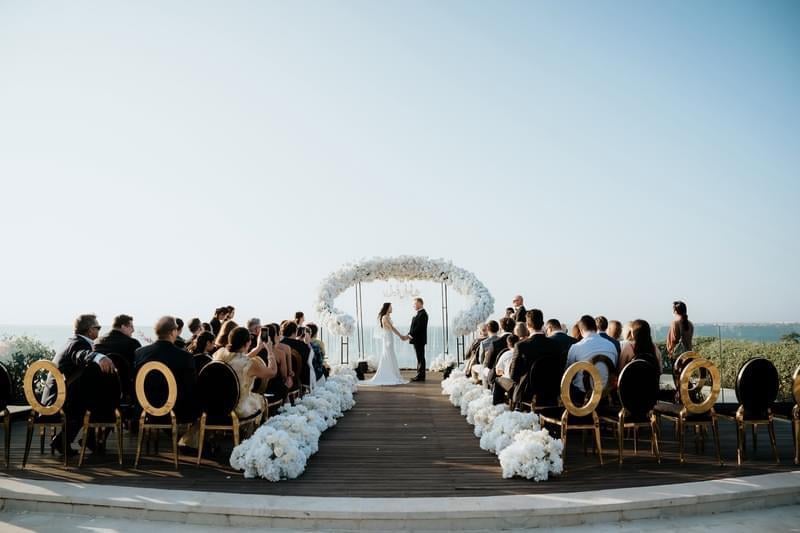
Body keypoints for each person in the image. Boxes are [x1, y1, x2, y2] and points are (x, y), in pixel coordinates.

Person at [43, 314, 116, 456]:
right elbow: (80, 354)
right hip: (59, 399)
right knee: (107, 404)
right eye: (98, 327)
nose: (99, 330)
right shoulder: (78, 344)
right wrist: (98, 356)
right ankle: (88, 439)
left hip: (57, 394)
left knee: (95, 400)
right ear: (89, 330)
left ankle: (72, 440)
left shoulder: (71, 341)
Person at [134, 316, 198, 422]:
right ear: (173, 332)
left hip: (146, 409)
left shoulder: (139, 353)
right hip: (177, 411)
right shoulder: (185, 357)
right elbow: (190, 387)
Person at [213, 327, 276, 417]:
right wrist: (270, 350)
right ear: (248, 343)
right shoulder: (249, 364)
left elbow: (240, 358)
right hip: (238, 408)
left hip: (216, 405)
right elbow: (272, 372)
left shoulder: (220, 356)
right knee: (261, 399)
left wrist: (258, 348)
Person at [566, 315, 618, 401]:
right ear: (596, 328)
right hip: (604, 394)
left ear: (581, 330)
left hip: (582, 395)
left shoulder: (576, 347)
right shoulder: (611, 345)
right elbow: (613, 367)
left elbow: (568, 373)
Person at [362, 303, 408, 386]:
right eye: (390, 307)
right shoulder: (385, 317)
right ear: (387, 308)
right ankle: (388, 374)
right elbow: (392, 328)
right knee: (388, 355)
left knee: (390, 355)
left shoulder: (388, 317)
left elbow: (391, 329)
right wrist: (401, 336)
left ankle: (392, 373)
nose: (392, 308)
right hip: (387, 339)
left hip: (389, 336)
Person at [483, 317, 515, 387]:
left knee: (484, 369)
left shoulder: (495, 343)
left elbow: (488, 365)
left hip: (499, 377)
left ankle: (486, 390)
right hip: (516, 377)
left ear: (501, 329)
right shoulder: (519, 342)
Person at [407, 297, 429, 382]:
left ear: (420, 303)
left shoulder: (423, 314)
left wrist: (410, 335)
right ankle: (419, 375)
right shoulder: (419, 314)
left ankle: (420, 376)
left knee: (420, 357)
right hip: (417, 340)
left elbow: (419, 328)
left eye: (415, 304)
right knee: (419, 357)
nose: (414, 305)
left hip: (419, 340)